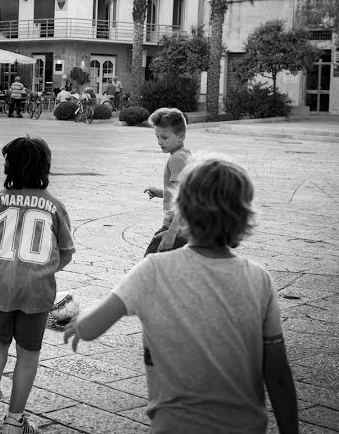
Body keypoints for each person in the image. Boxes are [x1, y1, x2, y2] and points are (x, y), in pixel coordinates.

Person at [64, 156, 298, 433]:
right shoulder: (259, 280)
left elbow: (93, 326)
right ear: (243, 217)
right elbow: (278, 375)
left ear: (182, 212)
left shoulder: (152, 271)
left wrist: (80, 324)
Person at [0, 136, 75, 433]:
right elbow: (67, 252)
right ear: (46, 167)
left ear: (8, 167)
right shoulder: (54, 205)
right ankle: (14, 420)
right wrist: (46, 270)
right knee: (29, 350)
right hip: (36, 289)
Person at [143, 107, 193, 255]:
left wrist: (171, 233)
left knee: (149, 268)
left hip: (176, 226)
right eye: (157, 137)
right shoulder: (185, 155)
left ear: (181, 136)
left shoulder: (177, 159)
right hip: (186, 225)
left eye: (164, 137)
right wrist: (160, 192)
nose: (159, 142)